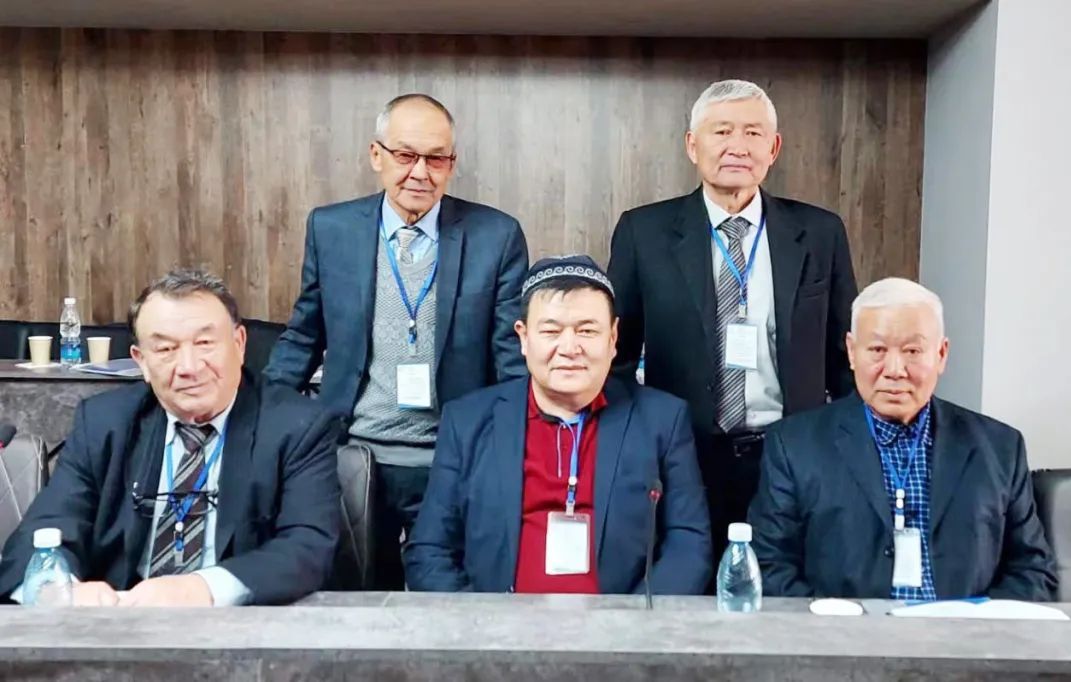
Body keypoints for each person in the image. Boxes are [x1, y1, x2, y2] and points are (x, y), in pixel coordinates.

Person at [264, 94, 529, 590]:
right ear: (377, 155)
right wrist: (261, 415)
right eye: (406, 155)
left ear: (452, 163)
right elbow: (303, 335)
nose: (420, 173)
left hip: (453, 457)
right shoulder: (332, 229)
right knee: (359, 599)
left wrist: (516, 450)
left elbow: (511, 358)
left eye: (437, 158)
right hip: (354, 454)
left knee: (449, 598)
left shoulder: (496, 236)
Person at [607, 79, 858, 556]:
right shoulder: (645, 232)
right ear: (692, 145)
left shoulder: (820, 232)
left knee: (784, 582)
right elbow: (616, 356)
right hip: (683, 455)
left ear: (774, 148)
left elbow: (845, 358)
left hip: (791, 454)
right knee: (688, 581)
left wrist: (847, 451)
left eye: (753, 133)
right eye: (722, 131)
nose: (737, 147)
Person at [0, 270, 341, 606]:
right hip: (119, 621)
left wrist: (202, 588)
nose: (189, 367)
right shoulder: (105, 423)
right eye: (165, 349)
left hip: (240, 625)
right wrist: (56, 589)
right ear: (142, 361)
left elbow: (306, 546)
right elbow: (44, 530)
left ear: (239, 344)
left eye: (205, 343)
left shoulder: (295, 426)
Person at [405, 256, 712, 594]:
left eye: (587, 331)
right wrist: (485, 620)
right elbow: (429, 552)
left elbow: (689, 545)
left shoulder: (662, 421)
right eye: (551, 331)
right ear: (523, 338)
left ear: (613, 338)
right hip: (498, 620)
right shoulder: (467, 422)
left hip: (619, 621)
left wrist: (628, 619)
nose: (569, 348)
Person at [747, 278, 1057, 600]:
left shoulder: (1000, 448)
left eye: (912, 351)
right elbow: (769, 567)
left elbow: (1033, 570)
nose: (895, 370)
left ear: (941, 354)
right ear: (852, 352)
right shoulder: (795, 446)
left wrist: (974, 622)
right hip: (842, 630)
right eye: (877, 350)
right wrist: (838, 622)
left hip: (963, 630)